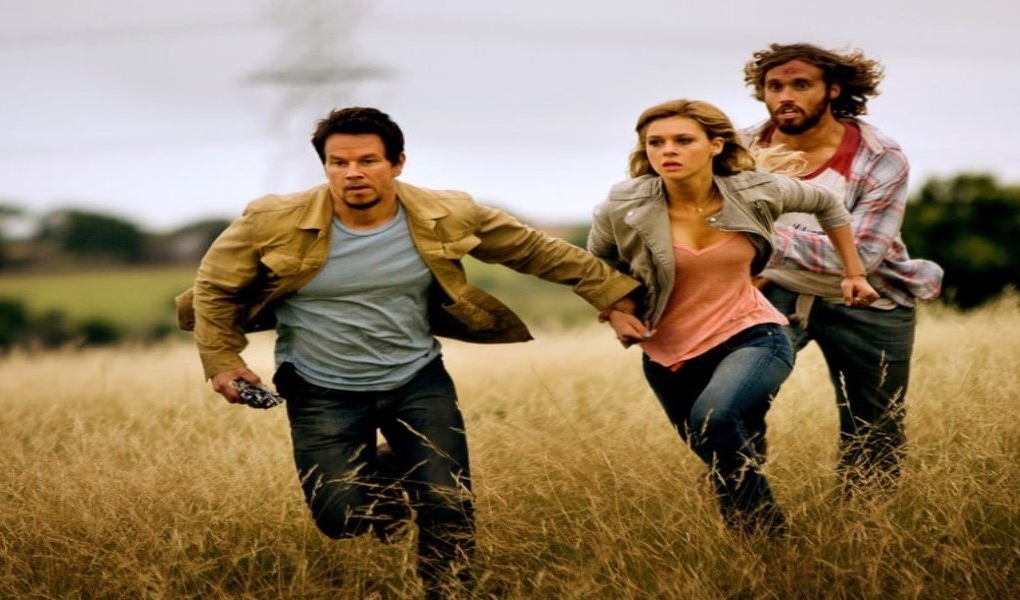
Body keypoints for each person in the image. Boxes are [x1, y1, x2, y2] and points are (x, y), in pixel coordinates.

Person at [177, 107, 641, 596]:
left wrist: (610, 296)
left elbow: (533, 249)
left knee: (447, 502)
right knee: (342, 518)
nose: (352, 173)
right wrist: (223, 361)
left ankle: (449, 592)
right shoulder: (272, 219)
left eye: (367, 161)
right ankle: (390, 463)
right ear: (325, 166)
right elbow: (214, 287)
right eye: (338, 163)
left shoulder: (445, 213)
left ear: (397, 163)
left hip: (417, 379)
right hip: (319, 386)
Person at [587, 99, 879, 535]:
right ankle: (753, 547)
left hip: (752, 335)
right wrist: (616, 311)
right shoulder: (624, 205)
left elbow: (828, 204)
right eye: (656, 142)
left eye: (683, 140)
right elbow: (599, 267)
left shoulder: (755, 190)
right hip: (668, 355)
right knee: (720, 452)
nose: (668, 151)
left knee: (714, 419)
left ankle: (773, 539)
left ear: (715, 145)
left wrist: (853, 273)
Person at [739, 43, 943, 496]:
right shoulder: (738, 148)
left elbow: (861, 255)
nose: (785, 96)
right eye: (774, 86)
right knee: (733, 401)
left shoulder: (879, 157)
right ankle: (741, 504)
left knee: (876, 427)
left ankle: (863, 526)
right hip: (768, 293)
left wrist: (763, 243)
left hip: (869, 297)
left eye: (801, 85)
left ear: (833, 90)